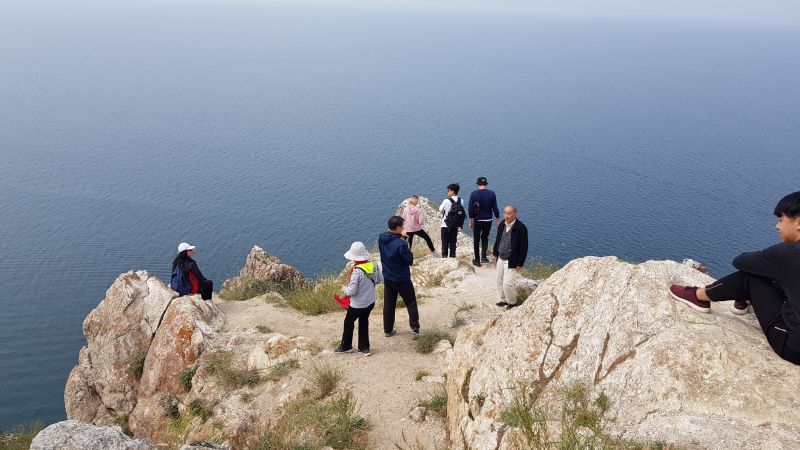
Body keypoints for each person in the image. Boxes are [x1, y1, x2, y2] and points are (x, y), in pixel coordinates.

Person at [669, 191, 800, 365]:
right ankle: (744, 300)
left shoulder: (788, 253)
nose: (777, 226)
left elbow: (741, 262)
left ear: (798, 222)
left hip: (792, 346)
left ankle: (699, 296)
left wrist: (768, 258)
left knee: (750, 277)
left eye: (781, 220)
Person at [335, 241, 383, 356]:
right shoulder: (373, 264)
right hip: (370, 301)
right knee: (363, 321)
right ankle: (364, 348)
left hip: (357, 304)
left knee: (348, 322)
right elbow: (380, 280)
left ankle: (346, 346)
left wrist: (344, 289)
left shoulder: (357, 271)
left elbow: (352, 291)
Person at [378, 216, 421, 338]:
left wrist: (401, 238)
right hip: (402, 279)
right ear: (397, 228)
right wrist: (405, 242)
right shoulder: (401, 244)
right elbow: (409, 260)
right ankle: (415, 329)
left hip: (388, 277)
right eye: (402, 226)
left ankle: (388, 330)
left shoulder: (381, 237)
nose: (403, 228)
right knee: (411, 303)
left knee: (389, 304)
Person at [493, 205, 529, 310]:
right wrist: (495, 254)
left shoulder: (521, 228)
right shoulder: (501, 225)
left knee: (507, 284)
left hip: (511, 260)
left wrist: (520, 263)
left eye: (509, 213)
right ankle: (503, 300)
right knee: (499, 281)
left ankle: (512, 303)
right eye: (505, 213)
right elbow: (498, 240)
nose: (506, 216)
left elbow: (524, 247)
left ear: (514, 214)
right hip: (501, 257)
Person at [468, 177, 500, 267]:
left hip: (477, 220)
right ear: (486, 184)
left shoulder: (474, 194)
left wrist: (471, 220)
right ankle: (484, 257)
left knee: (476, 239)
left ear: (477, 184)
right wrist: (497, 219)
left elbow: (470, 208)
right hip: (488, 220)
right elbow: (495, 208)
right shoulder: (492, 194)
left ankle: (477, 260)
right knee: (485, 237)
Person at [438, 183, 467, 258]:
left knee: (445, 243)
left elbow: (440, 209)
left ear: (452, 191)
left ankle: (444, 257)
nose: (448, 192)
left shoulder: (446, 201)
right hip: (455, 225)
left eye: (448, 190)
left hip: (445, 225)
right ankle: (453, 257)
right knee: (453, 242)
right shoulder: (461, 201)